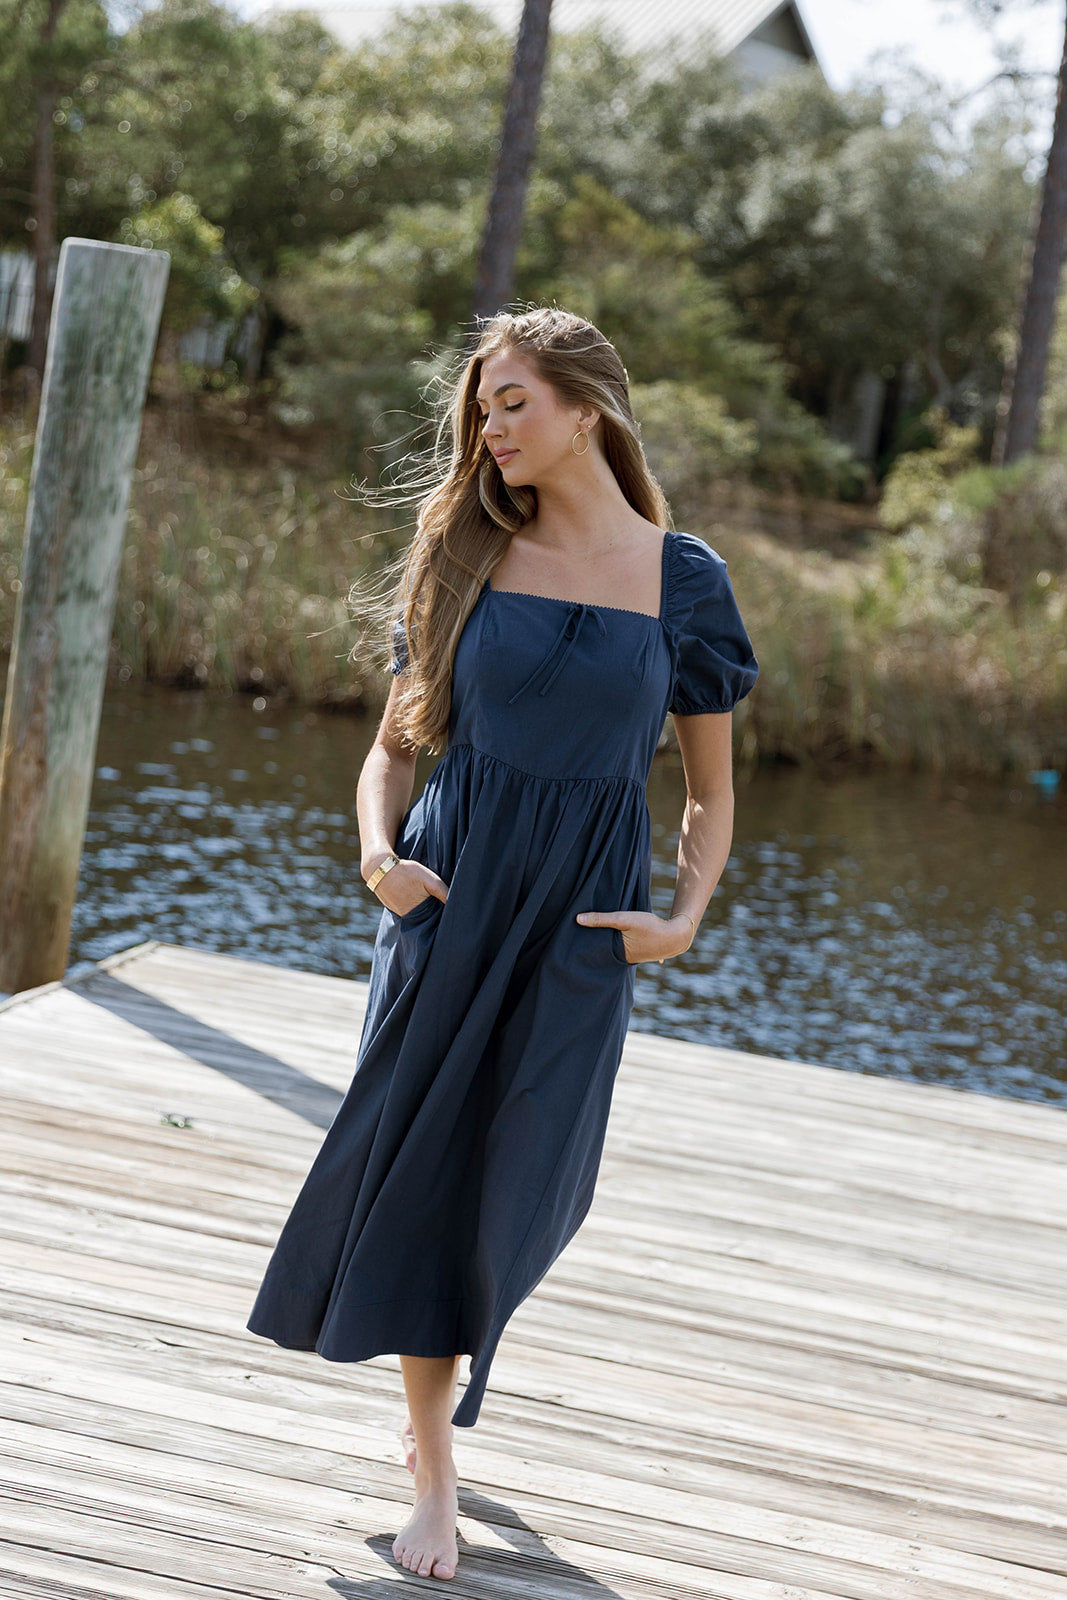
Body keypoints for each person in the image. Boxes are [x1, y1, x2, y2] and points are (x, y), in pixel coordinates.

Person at [246, 306, 759, 1582]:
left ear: (587, 409)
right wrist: (380, 859)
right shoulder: (464, 548)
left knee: (527, 1173)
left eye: (513, 401)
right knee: (430, 1169)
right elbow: (390, 749)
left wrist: (683, 914)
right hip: (449, 897)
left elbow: (707, 791)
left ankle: (444, 1401)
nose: (489, 427)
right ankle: (432, 1465)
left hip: (581, 920)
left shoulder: (683, 580)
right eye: (481, 407)